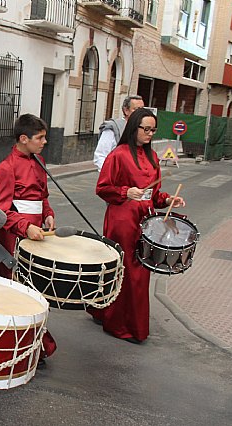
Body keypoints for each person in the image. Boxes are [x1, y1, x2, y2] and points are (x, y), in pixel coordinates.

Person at [89, 108, 185, 344]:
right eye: (146, 129)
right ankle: (120, 325)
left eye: (153, 129)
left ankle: (110, 315)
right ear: (134, 128)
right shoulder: (118, 155)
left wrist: (167, 199)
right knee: (128, 271)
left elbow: (154, 193)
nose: (150, 133)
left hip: (145, 218)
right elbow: (102, 188)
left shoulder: (153, 157)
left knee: (140, 271)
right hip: (122, 219)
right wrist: (125, 191)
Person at [0, 113, 58, 362]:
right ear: (23, 138)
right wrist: (24, 226)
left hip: (37, 232)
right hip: (15, 236)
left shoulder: (39, 160)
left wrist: (48, 213)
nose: (44, 142)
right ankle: (17, 349)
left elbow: (43, 195)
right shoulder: (7, 167)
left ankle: (34, 345)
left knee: (36, 290)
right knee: (18, 291)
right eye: (40, 138)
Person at [93, 95, 144, 171]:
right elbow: (100, 156)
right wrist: (111, 174)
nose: (141, 113)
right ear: (126, 110)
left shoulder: (143, 128)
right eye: (136, 109)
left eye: (142, 109)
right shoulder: (113, 128)